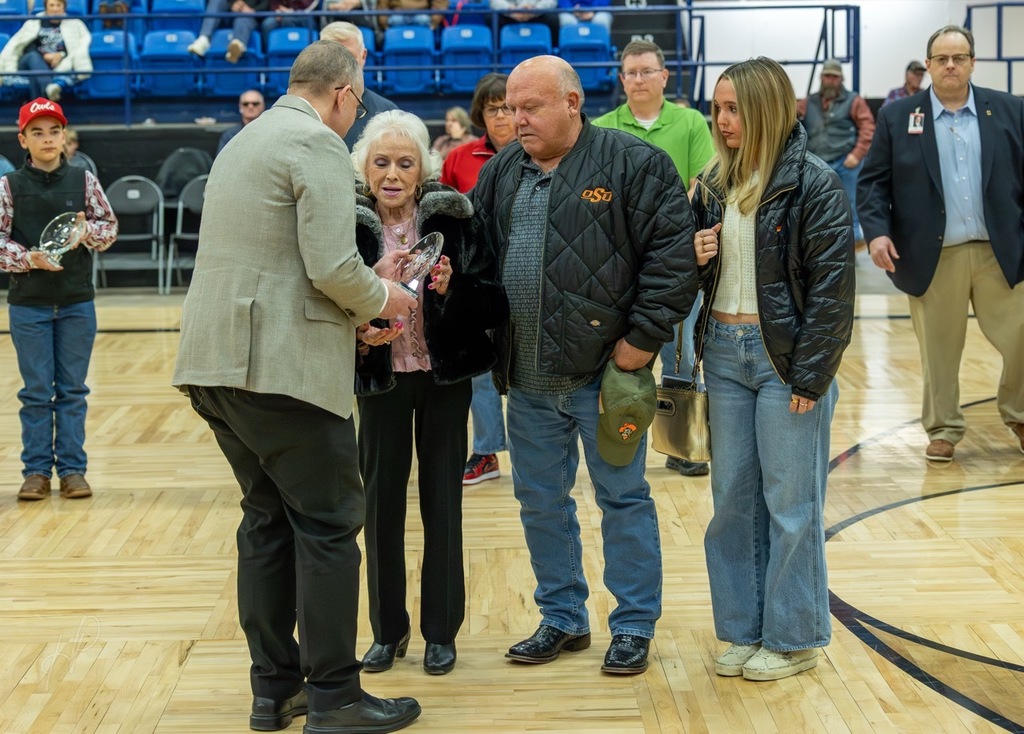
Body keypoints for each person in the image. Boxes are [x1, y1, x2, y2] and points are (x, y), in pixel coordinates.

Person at [171, 41, 421, 733]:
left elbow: (279, 261)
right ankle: (336, 695)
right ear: (343, 93)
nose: (354, 116)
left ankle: (273, 689)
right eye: (358, 103)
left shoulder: (246, 140)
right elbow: (333, 267)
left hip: (216, 365)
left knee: (267, 521)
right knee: (332, 524)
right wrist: (389, 298)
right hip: (278, 372)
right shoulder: (313, 143)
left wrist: (359, 308)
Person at [472, 56, 698, 674]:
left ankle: (631, 625)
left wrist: (638, 346)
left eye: (531, 107)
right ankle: (562, 617)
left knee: (621, 498)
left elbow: (674, 263)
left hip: (606, 375)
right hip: (525, 378)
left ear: (572, 102)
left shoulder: (635, 164)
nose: (516, 120)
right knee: (540, 501)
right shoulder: (500, 173)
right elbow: (478, 258)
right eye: (510, 109)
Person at [691, 56, 855, 682]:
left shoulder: (813, 183)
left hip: (785, 362)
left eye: (733, 109)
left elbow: (832, 292)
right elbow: (697, 281)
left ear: (762, 110)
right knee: (731, 500)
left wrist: (811, 377)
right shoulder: (711, 184)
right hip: (726, 357)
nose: (722, 120)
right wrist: (696, 254)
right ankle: (743, 628)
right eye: (717, 108)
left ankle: (793, 637)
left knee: (791, 504)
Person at [351, 110, 507, 677]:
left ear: (424, 171)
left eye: (405, 163)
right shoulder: (348, 221)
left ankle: (441, 632)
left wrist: (453, 288)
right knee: (380, 506)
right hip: (380, 380)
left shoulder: (456, 218)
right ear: (364, 169)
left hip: (444, 380)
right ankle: (387, 632)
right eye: (381, 162)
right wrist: (363, 312)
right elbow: (321, 300)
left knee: (443, 502)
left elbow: (493, 301)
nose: (392, 174)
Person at [858, 25, 1024, 462]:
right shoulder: (899, 117)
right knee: (939, 350)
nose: (951, 65)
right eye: (942, 59)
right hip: (932, 255)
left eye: (960, 57)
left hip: (1002, 251)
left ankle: (1020, 414)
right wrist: (876, 233)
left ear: (972, 62)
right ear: (928, 65)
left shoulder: (1009, 110)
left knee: (1022, 335)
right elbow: (874, 183)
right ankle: (944, 428)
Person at [592, 39, 714, 477]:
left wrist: (660, 222)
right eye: (631, 72)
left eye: (647, 71)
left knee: (681, 356)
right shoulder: (603, 126)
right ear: (621, 78)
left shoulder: (691, 122)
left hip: (678, 261)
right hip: (618, 264)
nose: (638, 79)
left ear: (664, 76)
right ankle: (621, 437)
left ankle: (680, 443)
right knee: (625, 353)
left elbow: (702, 180)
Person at [0, 98, 118, 502]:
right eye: (38, 132)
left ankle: (72, 470)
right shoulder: (8, 186)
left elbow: (108, 229)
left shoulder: (84, 180)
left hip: (76, 303)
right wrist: (27, 258)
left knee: (72, 390)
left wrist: (84, 234)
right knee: (35, 391)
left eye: (54, 131)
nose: (48, 139)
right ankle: (35, 471)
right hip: (28, 304)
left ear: (65, 137)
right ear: (23, 139)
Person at [439, 72, 516, 485]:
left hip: (526, 280)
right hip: (477, 281)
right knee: (480, 370)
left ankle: (527, 450)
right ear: (480, 114)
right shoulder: (460, 158)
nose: (501, 115)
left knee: (523, 367)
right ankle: (486, 451)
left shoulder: (538, 154)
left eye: (508, 106)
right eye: (492, 108)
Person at [797, 58, 874, 243]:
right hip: (816, 163)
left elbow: (868, 128)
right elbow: (792, 120)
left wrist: (856, 155)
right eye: (827, 76)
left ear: (841, 79)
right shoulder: (808, 101)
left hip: (845, 162)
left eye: (834, 76)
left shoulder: (854, 101)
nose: (830, 80)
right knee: (816, 204)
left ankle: (853, 243)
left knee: (849, 204)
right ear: (821, 77)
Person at [319, 21, 400, 150]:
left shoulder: (388, 113)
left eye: (350, 57)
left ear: (363, 56)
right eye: (332, 57)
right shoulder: (303, 110)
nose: (342, 65)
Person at [0, 0, 92, 102]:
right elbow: (23, 45)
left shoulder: (74, 24)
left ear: (64, 7)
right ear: (46, 8)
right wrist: (44, 56)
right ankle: (49, 89)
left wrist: (61, 55)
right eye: (51, 5)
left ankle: (38, 109)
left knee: (35, 75)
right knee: (33, 57)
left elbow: (77, 46)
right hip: (29, 60)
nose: (55, 8)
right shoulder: (34, 22)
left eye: (58, 5)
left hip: (56, 63)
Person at [186, 0, 268, 63]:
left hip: (250, 16)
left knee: (243, 19)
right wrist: (233, 3)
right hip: (228, 13)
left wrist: (253, 11)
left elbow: (267, 4)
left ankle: (237, 46)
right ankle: (204, 38)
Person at [216, 89, 265, 155]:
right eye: (245, 104)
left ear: (262, 106)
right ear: (240, 106)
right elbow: (220, 162)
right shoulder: (230, 135)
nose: (250, 106)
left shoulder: (270, 134)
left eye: (255, 103)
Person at [489, 0, 560, 43]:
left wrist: (535, 9)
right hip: (510, 14)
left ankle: (553, 54)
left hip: (536, 13)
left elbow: (551, 1)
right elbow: (495, 1)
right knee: (491, 18)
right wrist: (510, 9)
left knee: (553, 19)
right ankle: (497, 56)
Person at [377, 0, 448, 30]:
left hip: (422, 15)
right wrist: (385, 25)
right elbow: (383, 4)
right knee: (395, 20)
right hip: (397, 15)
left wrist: (433, 23)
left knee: (423, 19)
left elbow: (439, 3)